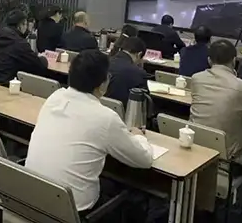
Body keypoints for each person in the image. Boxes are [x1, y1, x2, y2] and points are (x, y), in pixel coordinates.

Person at [25, 49, 153, 216]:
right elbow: (144, 159)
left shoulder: (55, 97)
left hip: (29, 198)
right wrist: (139, 137)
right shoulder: (105, 118)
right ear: (103, 84)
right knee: (128, 194)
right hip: (72, 211)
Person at [190, 40, 242, 157]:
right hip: (227, 151)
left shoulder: (196, 79)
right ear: (234, 60)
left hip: (195, 141)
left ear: (209, 60)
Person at [0, 10, 48, 85]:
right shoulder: (19, 43)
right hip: (10, 84)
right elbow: (39, 66)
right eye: (25, 24)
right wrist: (43, 58)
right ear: (20, 25)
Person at [107, 37, 149, 107]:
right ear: (139, 54)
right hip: (125, 111)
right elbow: (144, 103)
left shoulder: (104, 62)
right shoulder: (138, 72)